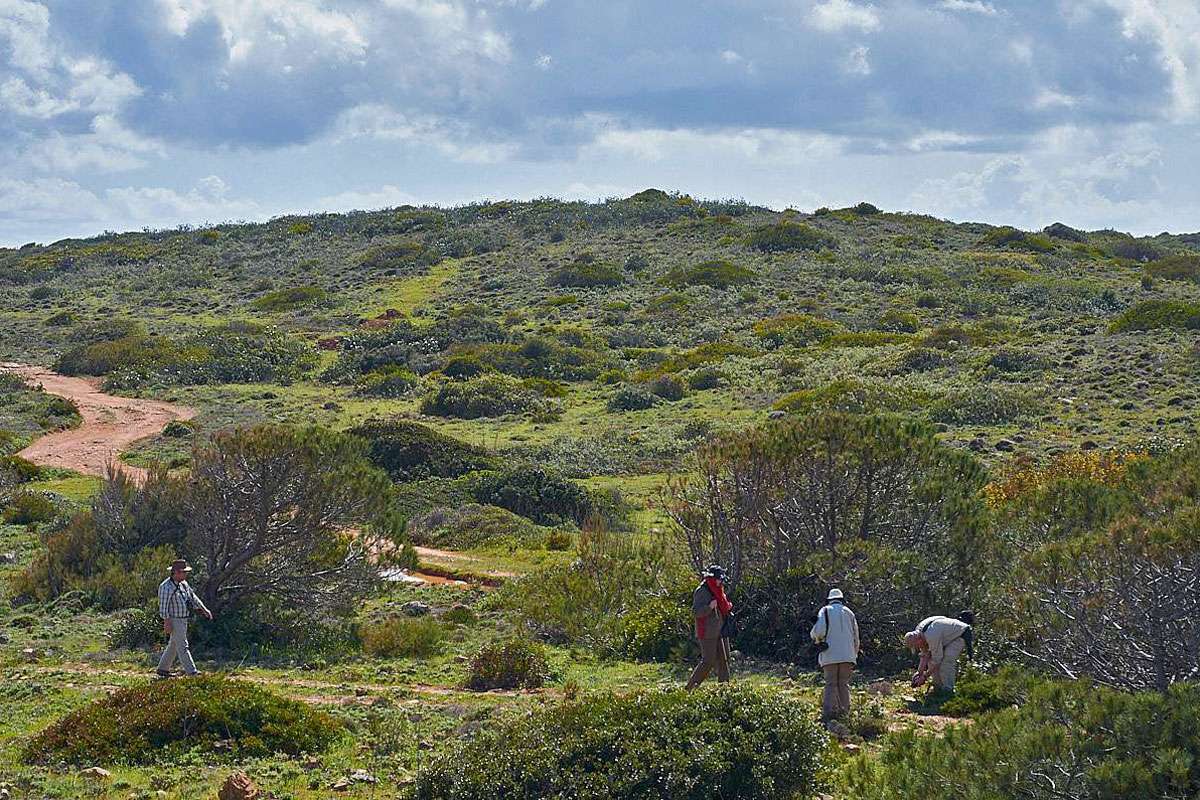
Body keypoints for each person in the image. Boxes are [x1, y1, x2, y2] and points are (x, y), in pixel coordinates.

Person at [809, 588, 860, 721]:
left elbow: (819, 632)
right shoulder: (849, 612)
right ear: (842, 599)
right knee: (843, 684)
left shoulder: (825, 610)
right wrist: (854, 654)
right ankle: (845, 714)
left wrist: (814, 637)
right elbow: (856, 636)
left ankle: (829, 715)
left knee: (831, 684)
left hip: (830, 654)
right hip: (848, 655)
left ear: (829, 599)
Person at [156, 558, 213, 678]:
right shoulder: (165, 587)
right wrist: (167, 622)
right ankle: (192, 672)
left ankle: (162, 669)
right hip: (174, 620)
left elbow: (193, 597)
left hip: (183, 619)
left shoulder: (184, 584)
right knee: (182, 645)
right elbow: (163, 606)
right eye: (183, 572)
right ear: (176, 572)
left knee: (174, 645)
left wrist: (204, 609)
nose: (185, 574)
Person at [686, 564, 733, 689]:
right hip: (707, 632)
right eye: (719, 579)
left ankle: (724, 689)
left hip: (719, 630)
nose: (721, 581)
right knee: (708, 661)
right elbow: (696, 612)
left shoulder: (718, 589)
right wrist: (709, 607)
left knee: (724, 660)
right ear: (712, 578)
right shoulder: (701, 591)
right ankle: (689, 689)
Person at [905, 612, 973, 692]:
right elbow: (925, 654)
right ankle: (938, 687)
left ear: (918, 639)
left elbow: (937, 660)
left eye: (916, 646)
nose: (918, 648)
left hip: (960, 633)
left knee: (946, 661)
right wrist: (919, 673)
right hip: (946, 635)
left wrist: (925, 676)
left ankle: (948, 691)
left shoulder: (931, 636)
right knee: (931, 660)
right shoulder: (919, 632)